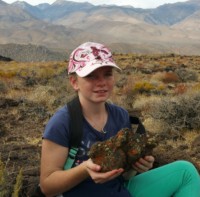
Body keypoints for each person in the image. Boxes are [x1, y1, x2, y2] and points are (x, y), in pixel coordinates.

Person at [40, 42, 200, 197]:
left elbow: (124, 174)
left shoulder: (121, 116)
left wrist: (138, 165)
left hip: (120, 191)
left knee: (185, 172)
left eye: (107, 74)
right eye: (91, 76)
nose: (101, 82)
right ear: (74, 82)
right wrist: (84, 170)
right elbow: (47, 187)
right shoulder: (62, 123)